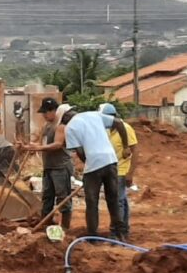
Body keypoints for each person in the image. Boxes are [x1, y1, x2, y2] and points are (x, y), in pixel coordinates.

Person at [64, 108, 130, 239]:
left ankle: (93, 236)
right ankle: (119, 234)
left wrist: (88, 163)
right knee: (113, 199)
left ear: (65, 118)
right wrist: (126, 146)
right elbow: (118, 122)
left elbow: (80, 151)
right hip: (111, 160)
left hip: (94, 164)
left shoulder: (70, 127)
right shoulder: (94, 114)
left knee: (92, 202)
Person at [21, 98, 74, 230]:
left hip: (60, 167)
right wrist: (27, 146)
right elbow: (41, 144)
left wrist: (38, 148)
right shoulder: (46, 126)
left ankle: (66, 228)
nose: (44, 115)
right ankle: (46, 223)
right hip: (49, 166)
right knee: (47, 196)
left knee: (63, 198)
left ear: (54, 111)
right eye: (43, 112)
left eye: (46, 112)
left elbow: (58, 144)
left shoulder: (61, 125)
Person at [98, 102, 138, 238]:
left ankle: (117, 232)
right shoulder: (108, 131)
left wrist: (130, 173)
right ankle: (124, 230)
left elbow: (135, 151)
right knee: (122, 201)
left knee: (117, 201)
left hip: (122, 171)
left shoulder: (126, 129)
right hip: (112, 169)